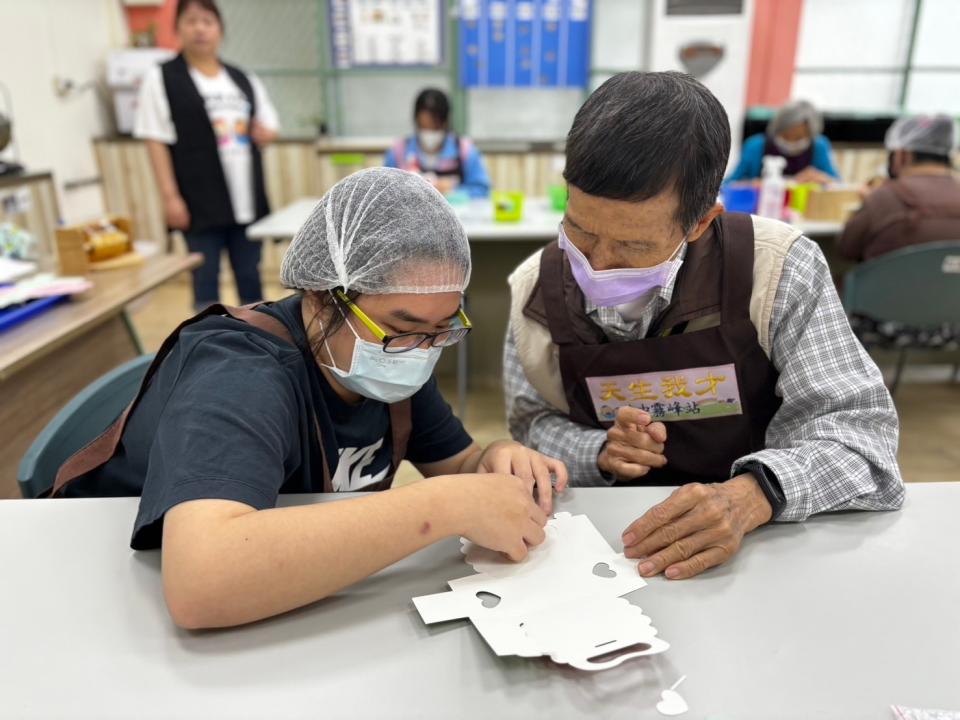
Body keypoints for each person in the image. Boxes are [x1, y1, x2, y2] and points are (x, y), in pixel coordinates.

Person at [53, 168, 566, 629]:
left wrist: (495, 459)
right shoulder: (239, 371)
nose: (420, 350)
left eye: (441, 330)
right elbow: (201, 583)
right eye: (400, 329)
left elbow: (460, 467)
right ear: (322, 299)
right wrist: (437, 507)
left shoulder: (393, 360)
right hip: (93, 603)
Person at [505, 72, 903, 582]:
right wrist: (600, 452)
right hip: (606, 551)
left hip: (766, 549)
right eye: (579, 231)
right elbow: (531, 427)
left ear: (700, 222)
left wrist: (754, 495)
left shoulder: (778, 270)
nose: (597, 267)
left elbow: (862, 442)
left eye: (633, 247)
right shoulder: (535, 292)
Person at [135, 0, 279, 310]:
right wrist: (170, 198)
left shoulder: (242, 78)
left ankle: (256, 339)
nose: (200, 28)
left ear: (220, 31)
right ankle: (206, 344)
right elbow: (155, 140)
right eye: (191, 21)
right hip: (197, 200)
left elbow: (270, 127)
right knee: (205, 278)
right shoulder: (162, 78)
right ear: (177, 29)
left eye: (208, 21)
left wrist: (266, 134)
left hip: (247, 199)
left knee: (250, 275)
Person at [838, 115, 960, 262]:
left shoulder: (885, 197)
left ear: (902, 155)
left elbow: (846, 248)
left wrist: (871, 202)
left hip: (886, 285)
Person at [384, 88, 491, 198]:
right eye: (424, 127)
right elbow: (384, 191)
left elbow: (481, 189)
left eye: (435, 127)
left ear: (445, 122)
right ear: (416, 122)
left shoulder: (464, 150)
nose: (429, 133)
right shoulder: (399, 151)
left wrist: (452, 192)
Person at [725, 100, 840, 185]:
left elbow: (839, 185)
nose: (792, 142)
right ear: (777, 128)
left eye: (799, 138)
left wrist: (824, 179)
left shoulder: (819, 147)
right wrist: (751, 185)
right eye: (786, 136)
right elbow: (728, 185)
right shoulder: (755, 146)